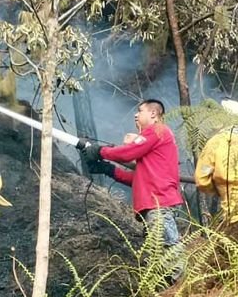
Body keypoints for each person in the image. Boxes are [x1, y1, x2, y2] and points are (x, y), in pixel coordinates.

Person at [77, 99, 185, 286]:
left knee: (170, 258)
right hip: (154, 206)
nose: (135, 114)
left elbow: (128, 152)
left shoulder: (158, 130)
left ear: (153, 114)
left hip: (158, 205)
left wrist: (100, 151)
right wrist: (108, 169)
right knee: (157, 261)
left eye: (140, 111)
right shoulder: (154, 147)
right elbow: (136, 180)